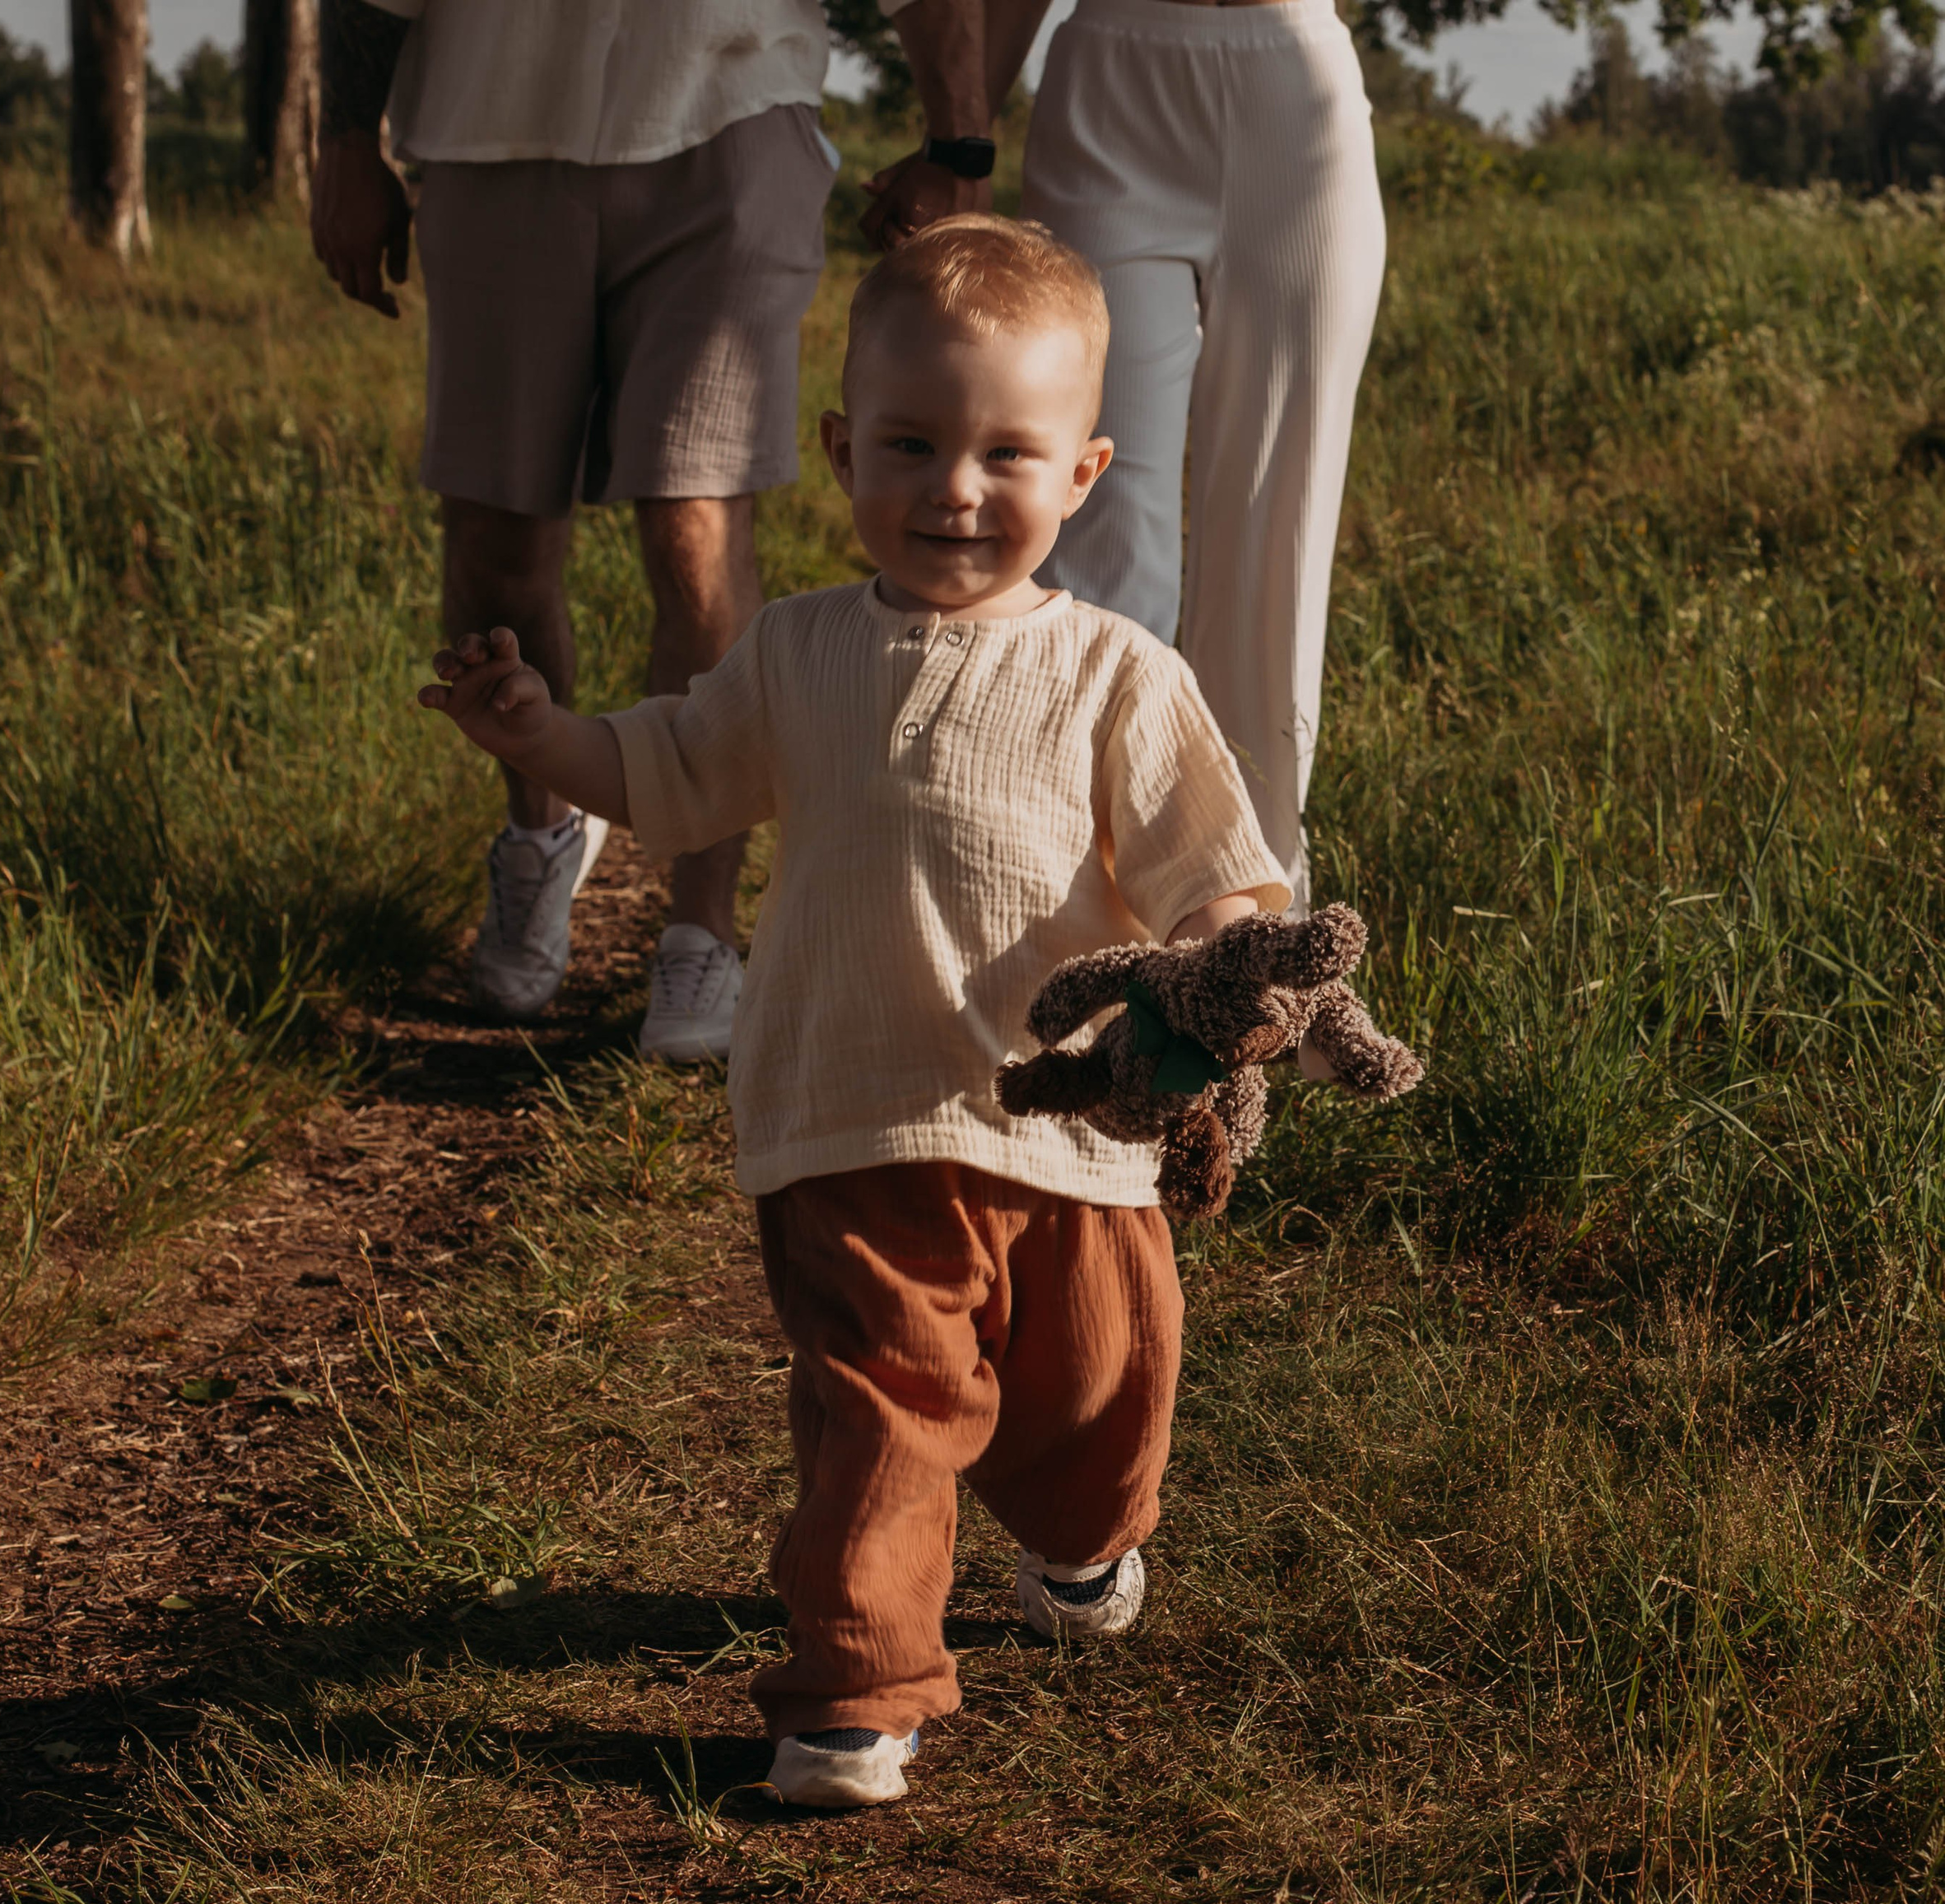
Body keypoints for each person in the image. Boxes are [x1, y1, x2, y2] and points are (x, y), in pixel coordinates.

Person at [419, 216, 1291, 1808]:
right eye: (912, 444)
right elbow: (664, 774)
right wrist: (541, 734)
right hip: (852, 1120)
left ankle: (1090, 1542)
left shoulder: (1119, 673)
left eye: (1006, 454)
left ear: (1084, 473)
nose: (957, 488)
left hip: (1070, 1138)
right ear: (839, 449)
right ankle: (854, 1690)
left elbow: (1212, 871)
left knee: (1098, 1398)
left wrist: (1227, 963)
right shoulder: (798, 649)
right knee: (889, 1407)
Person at [309, 0, 995, 1057]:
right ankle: (541, 831)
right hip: (490, 131)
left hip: (728, 119)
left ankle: (700, 928)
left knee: (696, 533)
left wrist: (957, 145)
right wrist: (347, 139)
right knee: (498, 543)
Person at [869, 0, 1387, 911]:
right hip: (1110, 79)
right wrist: (960, 146)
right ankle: (1077, 921)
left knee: (1278, 544)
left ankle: (1256, 938)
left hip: (1295, 89)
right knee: (1095, 529)